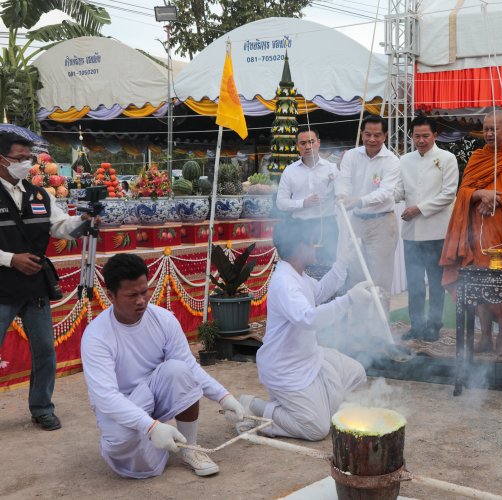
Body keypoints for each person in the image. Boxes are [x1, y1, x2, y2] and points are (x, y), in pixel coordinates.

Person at [80, 253, 245, 478]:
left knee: (178, 369)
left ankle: (191, 449)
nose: (141, 300)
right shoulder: (96, 336)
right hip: (123, 402)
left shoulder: (163, 319)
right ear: (110, 295)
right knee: (132, 457)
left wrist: (224, 396)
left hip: (155, 392)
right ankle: (152, 439)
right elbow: (106, 397)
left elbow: (189, 366)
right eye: (132, 295)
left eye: (144, 292)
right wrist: (150, 427)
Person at [242, 218, 372, 441]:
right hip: (286, 369)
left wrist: (342, 263)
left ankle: (305, 406)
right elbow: (308, 319)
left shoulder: (298, 275)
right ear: (299, 246)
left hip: (310, 358)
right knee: (317, 429)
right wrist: (349, 299)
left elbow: (320, 291)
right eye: (311, 242)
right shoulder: (284, 281)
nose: (315, 247)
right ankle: (257, 409)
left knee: (357, 373)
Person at [0, 133, 89, 431]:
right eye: (19, 158)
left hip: (34, 283)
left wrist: (86, 222)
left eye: (29, 158)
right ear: (2, 160)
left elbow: (61, 225)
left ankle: (42, 407)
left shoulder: (39, 195)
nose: (26, 163)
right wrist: (10, 259)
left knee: (44, 350)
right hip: (2, 284)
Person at [440, 110, 502, 355]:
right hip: (479, 233)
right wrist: (479, 195)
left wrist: (497, 198)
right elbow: (464, 192)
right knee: (480, 285)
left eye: (493, 129)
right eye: (485, 129)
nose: (487, 133)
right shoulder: (477, 157)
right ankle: (485, 335)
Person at [394, 115, 459, 342]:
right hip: (411, 232)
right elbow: (398, 191)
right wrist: (380, 194)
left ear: (435, 136)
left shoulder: (447, 158)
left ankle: (434, 324)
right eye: (417, 136)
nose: (421, 140)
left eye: (425, 136)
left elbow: (449, 194)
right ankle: (416, 325)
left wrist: (418, 209)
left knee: (435, 282)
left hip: (436, 231)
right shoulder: (404, 160)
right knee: (414, 283)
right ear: (411, 135)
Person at [336, 115, 400, 314]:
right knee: (355, 275)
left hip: (382, 223)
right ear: (361, 134)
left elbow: (386, 193)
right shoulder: (351, 156)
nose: (372, 139)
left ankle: (379, 331)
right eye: (368, 134)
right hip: (356, 221)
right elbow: (343, 181)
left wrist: (358, 201)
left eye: (377, 135)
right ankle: (357, 331)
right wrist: (342, 196)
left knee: (380, 279)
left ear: (385, 136)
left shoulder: (392, 161)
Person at [276, 128, 339, 265]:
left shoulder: (332, 169)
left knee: (330, 264)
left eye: (311, 142)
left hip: (328, 225)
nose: (308, 146)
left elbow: (343, 195)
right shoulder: (290, 171)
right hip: (300, 228)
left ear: (319, 143)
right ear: (297, 146)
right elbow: (281, 203)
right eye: (303, 143)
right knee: (302, 268)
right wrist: (303, 203)